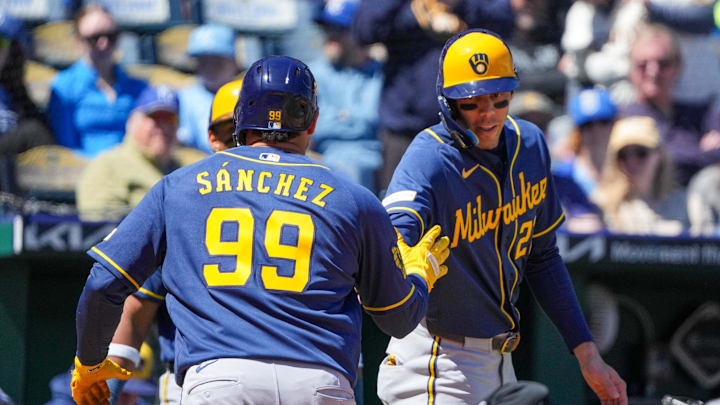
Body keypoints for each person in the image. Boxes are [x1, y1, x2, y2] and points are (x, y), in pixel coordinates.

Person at [70, 56, 451, 405]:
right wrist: (418, 276)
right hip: (319, 382)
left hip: (220, 379)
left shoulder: (178, 187)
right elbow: (398, 319)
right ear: (313, 121)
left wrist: (90, 363)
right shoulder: (354, 197)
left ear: (239, 120)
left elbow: (104, 283)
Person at [377, 29, 627, 404]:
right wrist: (402, 246)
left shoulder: (530, 144)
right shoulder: (429, 155)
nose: (488, 115)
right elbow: (395, 227)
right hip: (435, 361)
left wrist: (586, 352)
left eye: (499, 99)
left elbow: (542, 257)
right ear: (448, 104)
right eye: (473, 103)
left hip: (500, 362)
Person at [100, 80, 244, 405]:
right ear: (211, 139)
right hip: (197, 378)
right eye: (228, 135)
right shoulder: (183, 199)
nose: (238, 145)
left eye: (246, 135)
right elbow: (134, 315)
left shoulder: (183, 196)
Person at [351, 0, 518, 195]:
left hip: (465, 127)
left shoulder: (473, 7)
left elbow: (505, 21)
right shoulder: (402, 9)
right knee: (400, 208)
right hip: (404, 130)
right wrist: (419, 16)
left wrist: (457, 8)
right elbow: (363, 29)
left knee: (466, 210)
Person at [75, 85, 206, 222]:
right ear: (132, 121)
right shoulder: (108, 165)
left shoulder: (187, 169)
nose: (164, 126)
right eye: (155, 117)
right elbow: (99, 226)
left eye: (171, 119)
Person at [621, 23, 720, 186]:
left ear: (678, 66)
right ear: (631, 70)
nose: (653, 72)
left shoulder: (701, 114)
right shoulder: (624, 118)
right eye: (643, 65)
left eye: (663, 63)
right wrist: (703, 153)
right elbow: (669, 164)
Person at [48, 4, 148, 158]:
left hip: (132, 169)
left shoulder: (138, 88)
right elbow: (66, 148)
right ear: (78, 41)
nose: (104, 44)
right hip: (84, 172)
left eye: (111, 36)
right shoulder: (64, 87)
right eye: (94, 38)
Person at [309, 0, 384, 194]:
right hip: (320, 160)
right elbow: (313, 127)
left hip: (373, 166)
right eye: (327, 28)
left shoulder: (382, 74)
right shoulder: (313, 73)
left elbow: (374, 122)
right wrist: (353, 118)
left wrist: (335, 117)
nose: (330, 36)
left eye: (339, 29)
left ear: (362, 32)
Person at [592, 116, 688, 235]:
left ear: (659, 154)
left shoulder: (687, 204)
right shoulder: (602, 204)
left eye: (640, 153)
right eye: (623, 155)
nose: (631, 161)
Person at [177, 24, 241, 154]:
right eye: (204, 61)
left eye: (217, 61)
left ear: (234, 62)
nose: (210, 67)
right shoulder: (183, 98)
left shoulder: (247, 94)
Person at [0, 10, 54, 156]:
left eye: (1, 42)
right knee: (33, 133)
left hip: (14, 172)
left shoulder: (12, 89)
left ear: (12, 50)